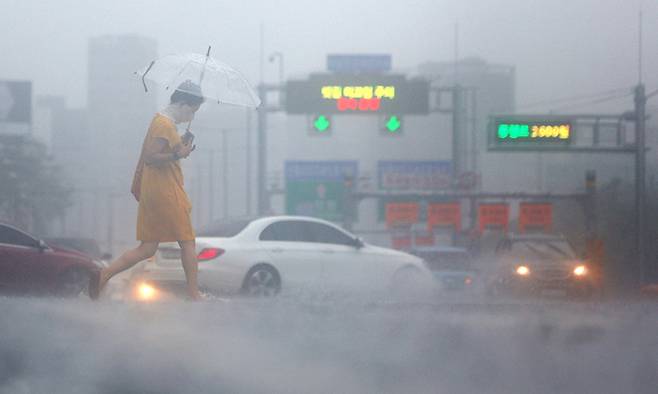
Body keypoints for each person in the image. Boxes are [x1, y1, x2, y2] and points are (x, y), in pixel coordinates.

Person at [90, 80, 204, 300]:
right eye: (192, 110)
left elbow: (157, 152)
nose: (191, 116)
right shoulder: (165, 124)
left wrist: (178, 147)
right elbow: (152, 157)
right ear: (182, 103)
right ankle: (193, 294)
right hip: (167, 192)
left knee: (147, 248)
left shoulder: (160, 121)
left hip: (154, 192)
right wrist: (178, 154)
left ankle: (103, 275)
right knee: (188, 242)